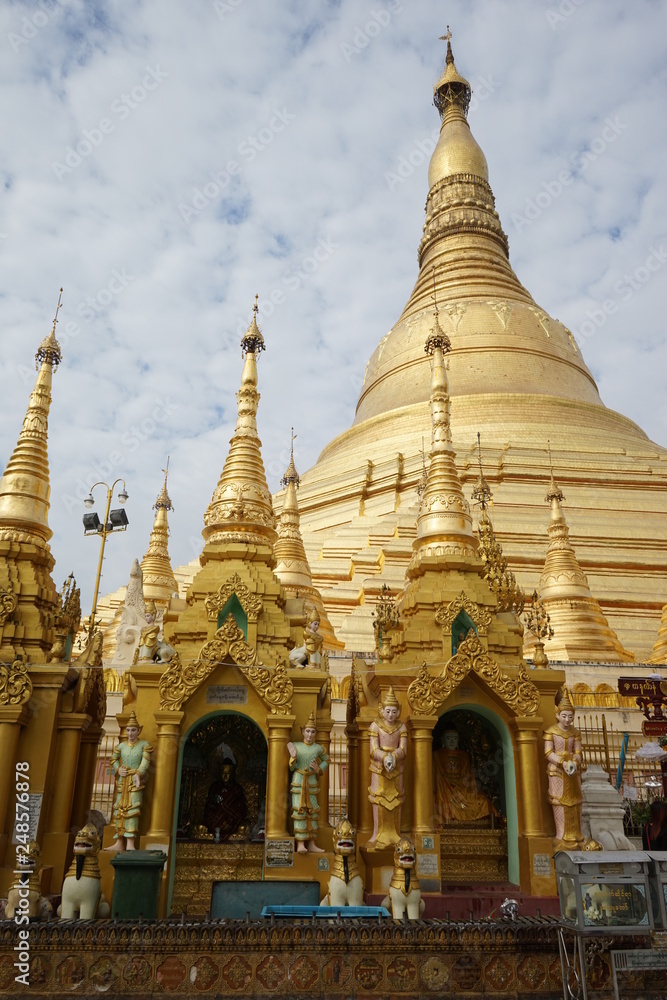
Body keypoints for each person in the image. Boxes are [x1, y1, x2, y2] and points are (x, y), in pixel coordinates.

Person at [543, 685, 585, 850]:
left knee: (576, 802)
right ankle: (561, 834)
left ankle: (577, 834)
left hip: (573, 772)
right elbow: (547, 752)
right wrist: (561, 762)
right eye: (564, 716)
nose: (567, 720)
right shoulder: (551, 732)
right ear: (557, 715)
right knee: (558, 801)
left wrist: (574, 762)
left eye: (570, 716)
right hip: (557, 772)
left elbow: (578, 752)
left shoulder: (576, 733)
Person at [367, 687, 408, 849]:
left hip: (397, 768)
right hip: (379, 768)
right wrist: (385, 757)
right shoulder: (375, 726)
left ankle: (395, 833)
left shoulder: (401, 727)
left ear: (398, 712)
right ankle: (377, 833)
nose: (391, 715)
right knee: (377, 798)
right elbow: (373, 749)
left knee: (397, 798)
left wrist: (394, 757)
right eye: (388, 711)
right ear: (382, 711)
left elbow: (404, 749)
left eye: (394, 711)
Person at [105, 711, 153, 852]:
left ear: (139, 730)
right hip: (122, 781)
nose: (130, 733)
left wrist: (139, 773)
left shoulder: (144, 745)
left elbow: (145, 761)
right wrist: (118, 769)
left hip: (135, 781)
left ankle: (130, 843)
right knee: (119, 811)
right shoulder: (121, 746)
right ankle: (119, 841)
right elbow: (113, 759)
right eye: (128, 730)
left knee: (132, 810)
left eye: (133, 730)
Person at [433, 729, 498, 825]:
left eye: (455, 738)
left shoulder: (463, 756)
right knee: (441, 805)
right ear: (442, 740)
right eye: (449, 738)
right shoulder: (436, 755)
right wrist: (449, 791)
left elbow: (467, 777)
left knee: (484, 802)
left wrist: (460, 792)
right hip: (443, 791)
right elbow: (436, 777)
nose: (452, 741)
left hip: (463, 792)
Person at [287, 711, 329, 852]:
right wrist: (293, 757)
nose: (310, 735)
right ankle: (300, 844)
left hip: (311, 782)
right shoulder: (296, 746)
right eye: (307, 731)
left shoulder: (318, 748)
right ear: (302, 732)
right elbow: (291, 767)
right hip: (299, 781)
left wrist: (318, 769)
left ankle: (311, 843)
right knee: (300, 813)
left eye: (312, 732)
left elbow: (327, 760)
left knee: (312, 813)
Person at [203, 758, 248, 840]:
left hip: (232, 824)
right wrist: (214, 822)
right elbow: (208, 807)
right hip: (214, 824)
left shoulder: (237, 789)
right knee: (199, 827)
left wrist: (230, 822)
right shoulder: (215, 787)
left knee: (243, 828)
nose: (225, 776)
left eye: (228, 773)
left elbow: (241, 809)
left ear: (232, 774)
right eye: (223, 773)